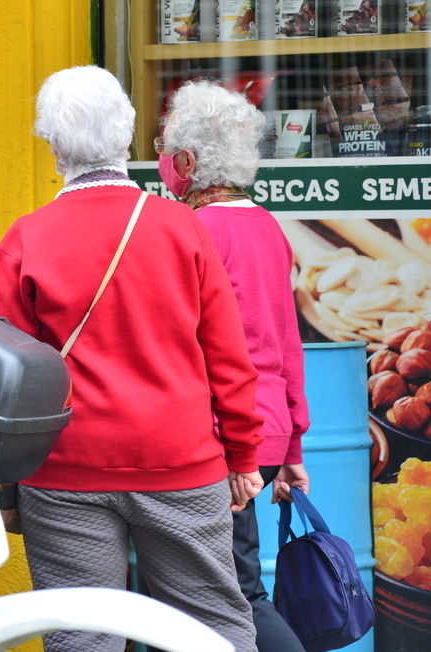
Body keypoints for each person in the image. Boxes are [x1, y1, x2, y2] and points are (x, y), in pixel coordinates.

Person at [0, 64, 265, 652]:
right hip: (182, 464)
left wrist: (3, 482)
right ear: (130, 136)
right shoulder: (183, 230)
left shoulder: (26, 238)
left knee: (84, 636)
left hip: (65, 472)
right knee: (211, 627)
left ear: (53, 145)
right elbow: (228, 358)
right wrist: (243, 454)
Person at [159, 80, 311, 652]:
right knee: (232, 592)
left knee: (236, 599)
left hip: (225, 439)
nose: (162, 161)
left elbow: (195, 348)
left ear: (190, 161)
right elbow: (286, 343)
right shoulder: (268, 227)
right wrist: (291, 451)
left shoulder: (195, 231)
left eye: (166, 147)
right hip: (265, 432)